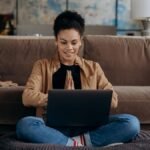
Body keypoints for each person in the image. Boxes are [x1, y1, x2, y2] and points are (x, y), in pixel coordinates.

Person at [16, 10, 140, 147]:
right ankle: (82, 144)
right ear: (56, 41)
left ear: (80, 42)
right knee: (25, 125)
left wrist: (80, 99)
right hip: (52, 127)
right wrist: (59, 99)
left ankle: (71, 144)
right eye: (63, 42)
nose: (69, 48)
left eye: (74, 42)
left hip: (88, 128)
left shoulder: (93, 67)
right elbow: (27, 97)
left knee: (131, 123)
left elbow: (114, 100)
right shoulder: (42, 65)